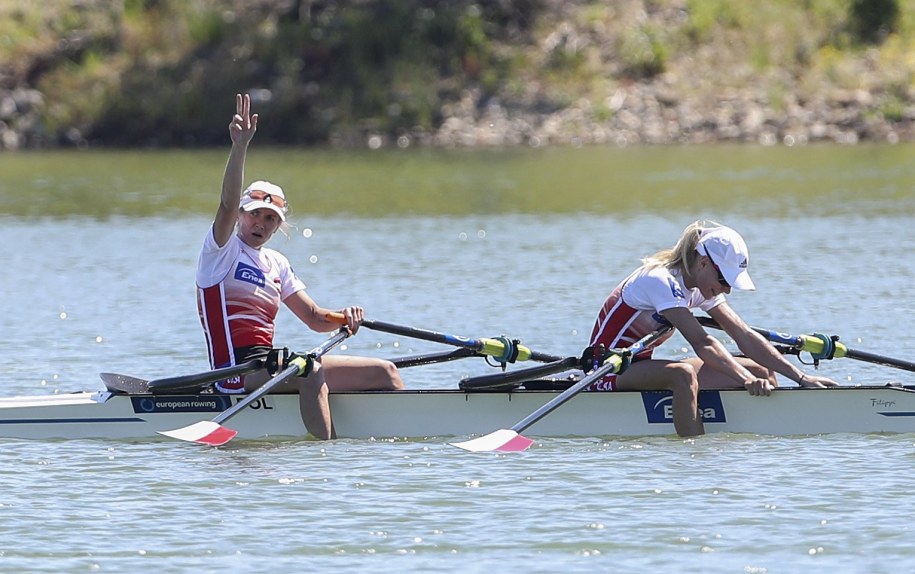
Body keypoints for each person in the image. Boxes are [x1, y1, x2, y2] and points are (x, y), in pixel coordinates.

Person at [196, 93, 404, 439]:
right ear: (242, 216)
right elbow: (227, 203)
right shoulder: (220, 251)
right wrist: (240, 146)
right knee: (310, 371)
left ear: (278, 226)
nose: (261, 223)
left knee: (386, 372)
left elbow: (315, 318)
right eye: (255, 214)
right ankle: (326, 455)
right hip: (234, 372)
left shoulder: (276, 263)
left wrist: (344, 317)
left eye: (270, 219)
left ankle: (402, 452)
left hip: (272, 364)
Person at [589, 220, 837, 437]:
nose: (726, 289)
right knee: (683, 374)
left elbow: (744, 335)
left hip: (639, 364)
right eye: (724, 280)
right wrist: (746, 380)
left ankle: (755, 438)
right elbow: (703, 343)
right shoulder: (660, 281)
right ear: (703, 263)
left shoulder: (699, 286)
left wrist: (801, 378)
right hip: (605, 371)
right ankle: (695, 454)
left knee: (761, 371)